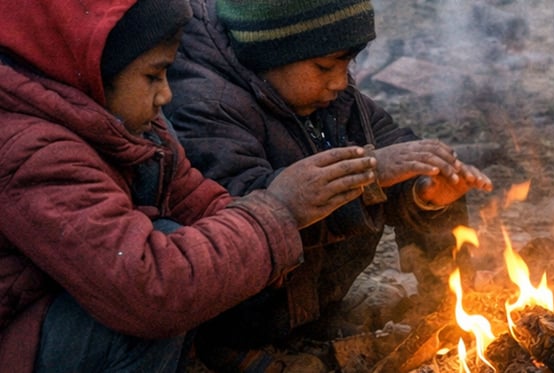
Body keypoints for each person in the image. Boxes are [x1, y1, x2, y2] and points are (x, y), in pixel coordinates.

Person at [0, 0, 382, 372]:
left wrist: (272, 229)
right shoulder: (35, 152)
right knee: (158, 292)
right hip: (20, 337)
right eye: (153, 76)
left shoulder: (130, 127)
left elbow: (194, 197)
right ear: (91, 71)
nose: (166, 95)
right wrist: (277, 211)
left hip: (65, 305)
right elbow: (148, 291)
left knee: (206, 248)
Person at [163, 0, 494, 370]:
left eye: (347, 64)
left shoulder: (329, 97)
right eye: (324, 66)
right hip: (236, 314)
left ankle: (442, 310)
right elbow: (239, 212)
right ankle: (224, 349)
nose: (340, 81)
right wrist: (369, 175)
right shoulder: (209, 105)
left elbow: (392, 146)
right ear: (271, 50)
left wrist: (425, 193)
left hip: (303, 301)